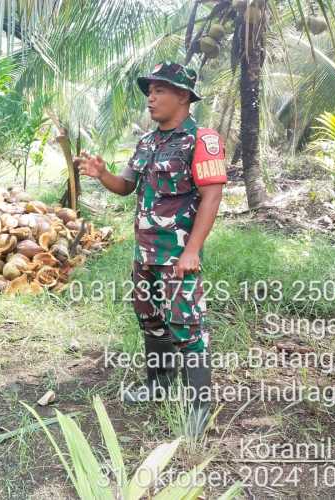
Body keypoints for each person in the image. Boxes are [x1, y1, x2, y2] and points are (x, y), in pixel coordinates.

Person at [77, 62, 227, 420]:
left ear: (183, 96)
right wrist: (102, 175)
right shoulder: (147, 142)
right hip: (144, 253)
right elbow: (126, 187)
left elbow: (212, 197)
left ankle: (198, 409)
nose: (151, 97)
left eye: (160, 90)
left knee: (187, 327)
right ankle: (158, 383)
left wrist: (191, 251)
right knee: (150, 320)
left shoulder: (202, 141)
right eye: (150, 90)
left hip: (177, 255)